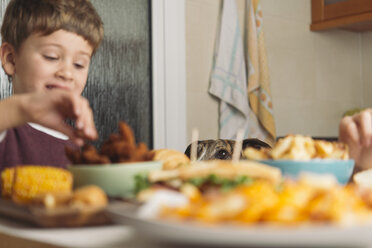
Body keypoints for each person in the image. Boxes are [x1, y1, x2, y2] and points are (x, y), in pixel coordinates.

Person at [0, 0, 104, 171]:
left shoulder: (76, 147)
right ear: (11, 59)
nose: (67, 73)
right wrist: (22, 109)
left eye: (79, 64)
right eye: (51, 57)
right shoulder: (6, 130)